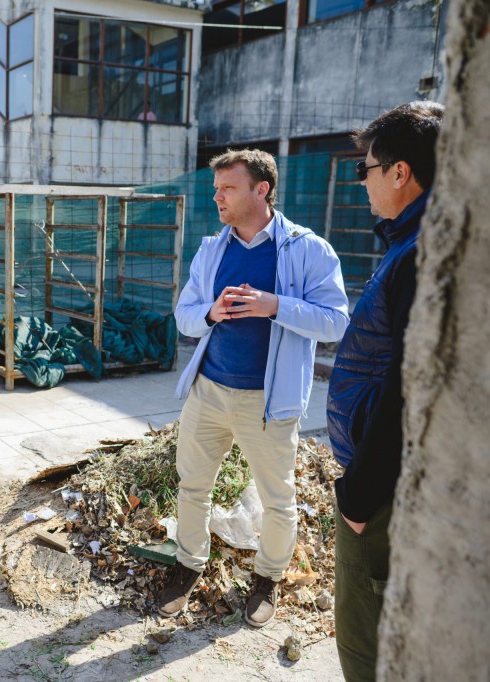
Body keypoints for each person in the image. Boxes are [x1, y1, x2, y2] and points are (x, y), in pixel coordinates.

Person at [158, 149, 349, 627]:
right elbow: (184, 314)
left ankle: (268, 578)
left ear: (261, 190)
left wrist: (274, 305)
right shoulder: (211, 248)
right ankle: (187, 566)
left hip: (269, 401)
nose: (217, 196)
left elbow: (335, 322)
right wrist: (209, 313)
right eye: (217, 188)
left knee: (277, 499)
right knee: (193, 486)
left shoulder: (309, 249)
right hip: (209, 391)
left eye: (228, 188)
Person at [326, 101, 444, 682]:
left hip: (383, 498)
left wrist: (358, 496)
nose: (363, 182)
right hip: (393, 489)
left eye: (365, 168)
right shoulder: (417, 242)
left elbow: (412, 391)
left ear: (400, 172)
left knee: (368, 645)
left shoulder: (424, 253)